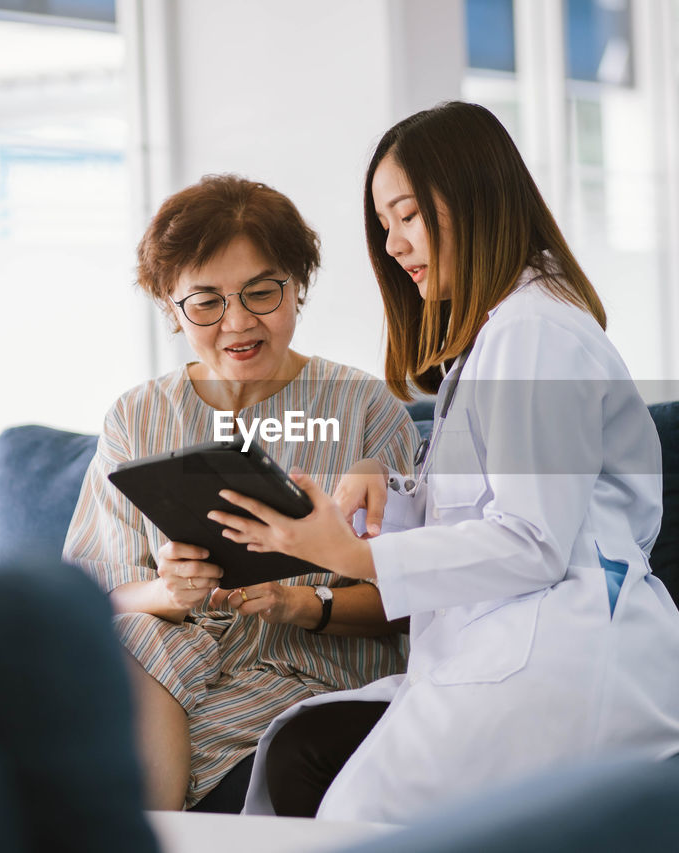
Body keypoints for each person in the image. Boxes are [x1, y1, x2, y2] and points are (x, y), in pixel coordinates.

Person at [209, 102, 679, 824]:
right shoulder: (502, 332)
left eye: (406, 214)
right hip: (506, 644)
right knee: (300, 747)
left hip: (560, 660)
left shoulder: (535, 334)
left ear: (472, 194)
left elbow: (532, 540)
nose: (395, 243)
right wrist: (390, 496)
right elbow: (490, 505)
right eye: (384, 224)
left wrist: (354, 554)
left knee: (354, 812)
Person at [63, 174, 420, 812]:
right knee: (132, 635)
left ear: (297, 286)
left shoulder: (365, 408)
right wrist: (166, 591)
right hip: (175, 668)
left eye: (262, 292)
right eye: (205, 302)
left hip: (313, 662)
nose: (238, 322)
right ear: (171, 308)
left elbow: (414, 594)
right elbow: (93, 591)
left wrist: (302, 604)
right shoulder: (137, 416)